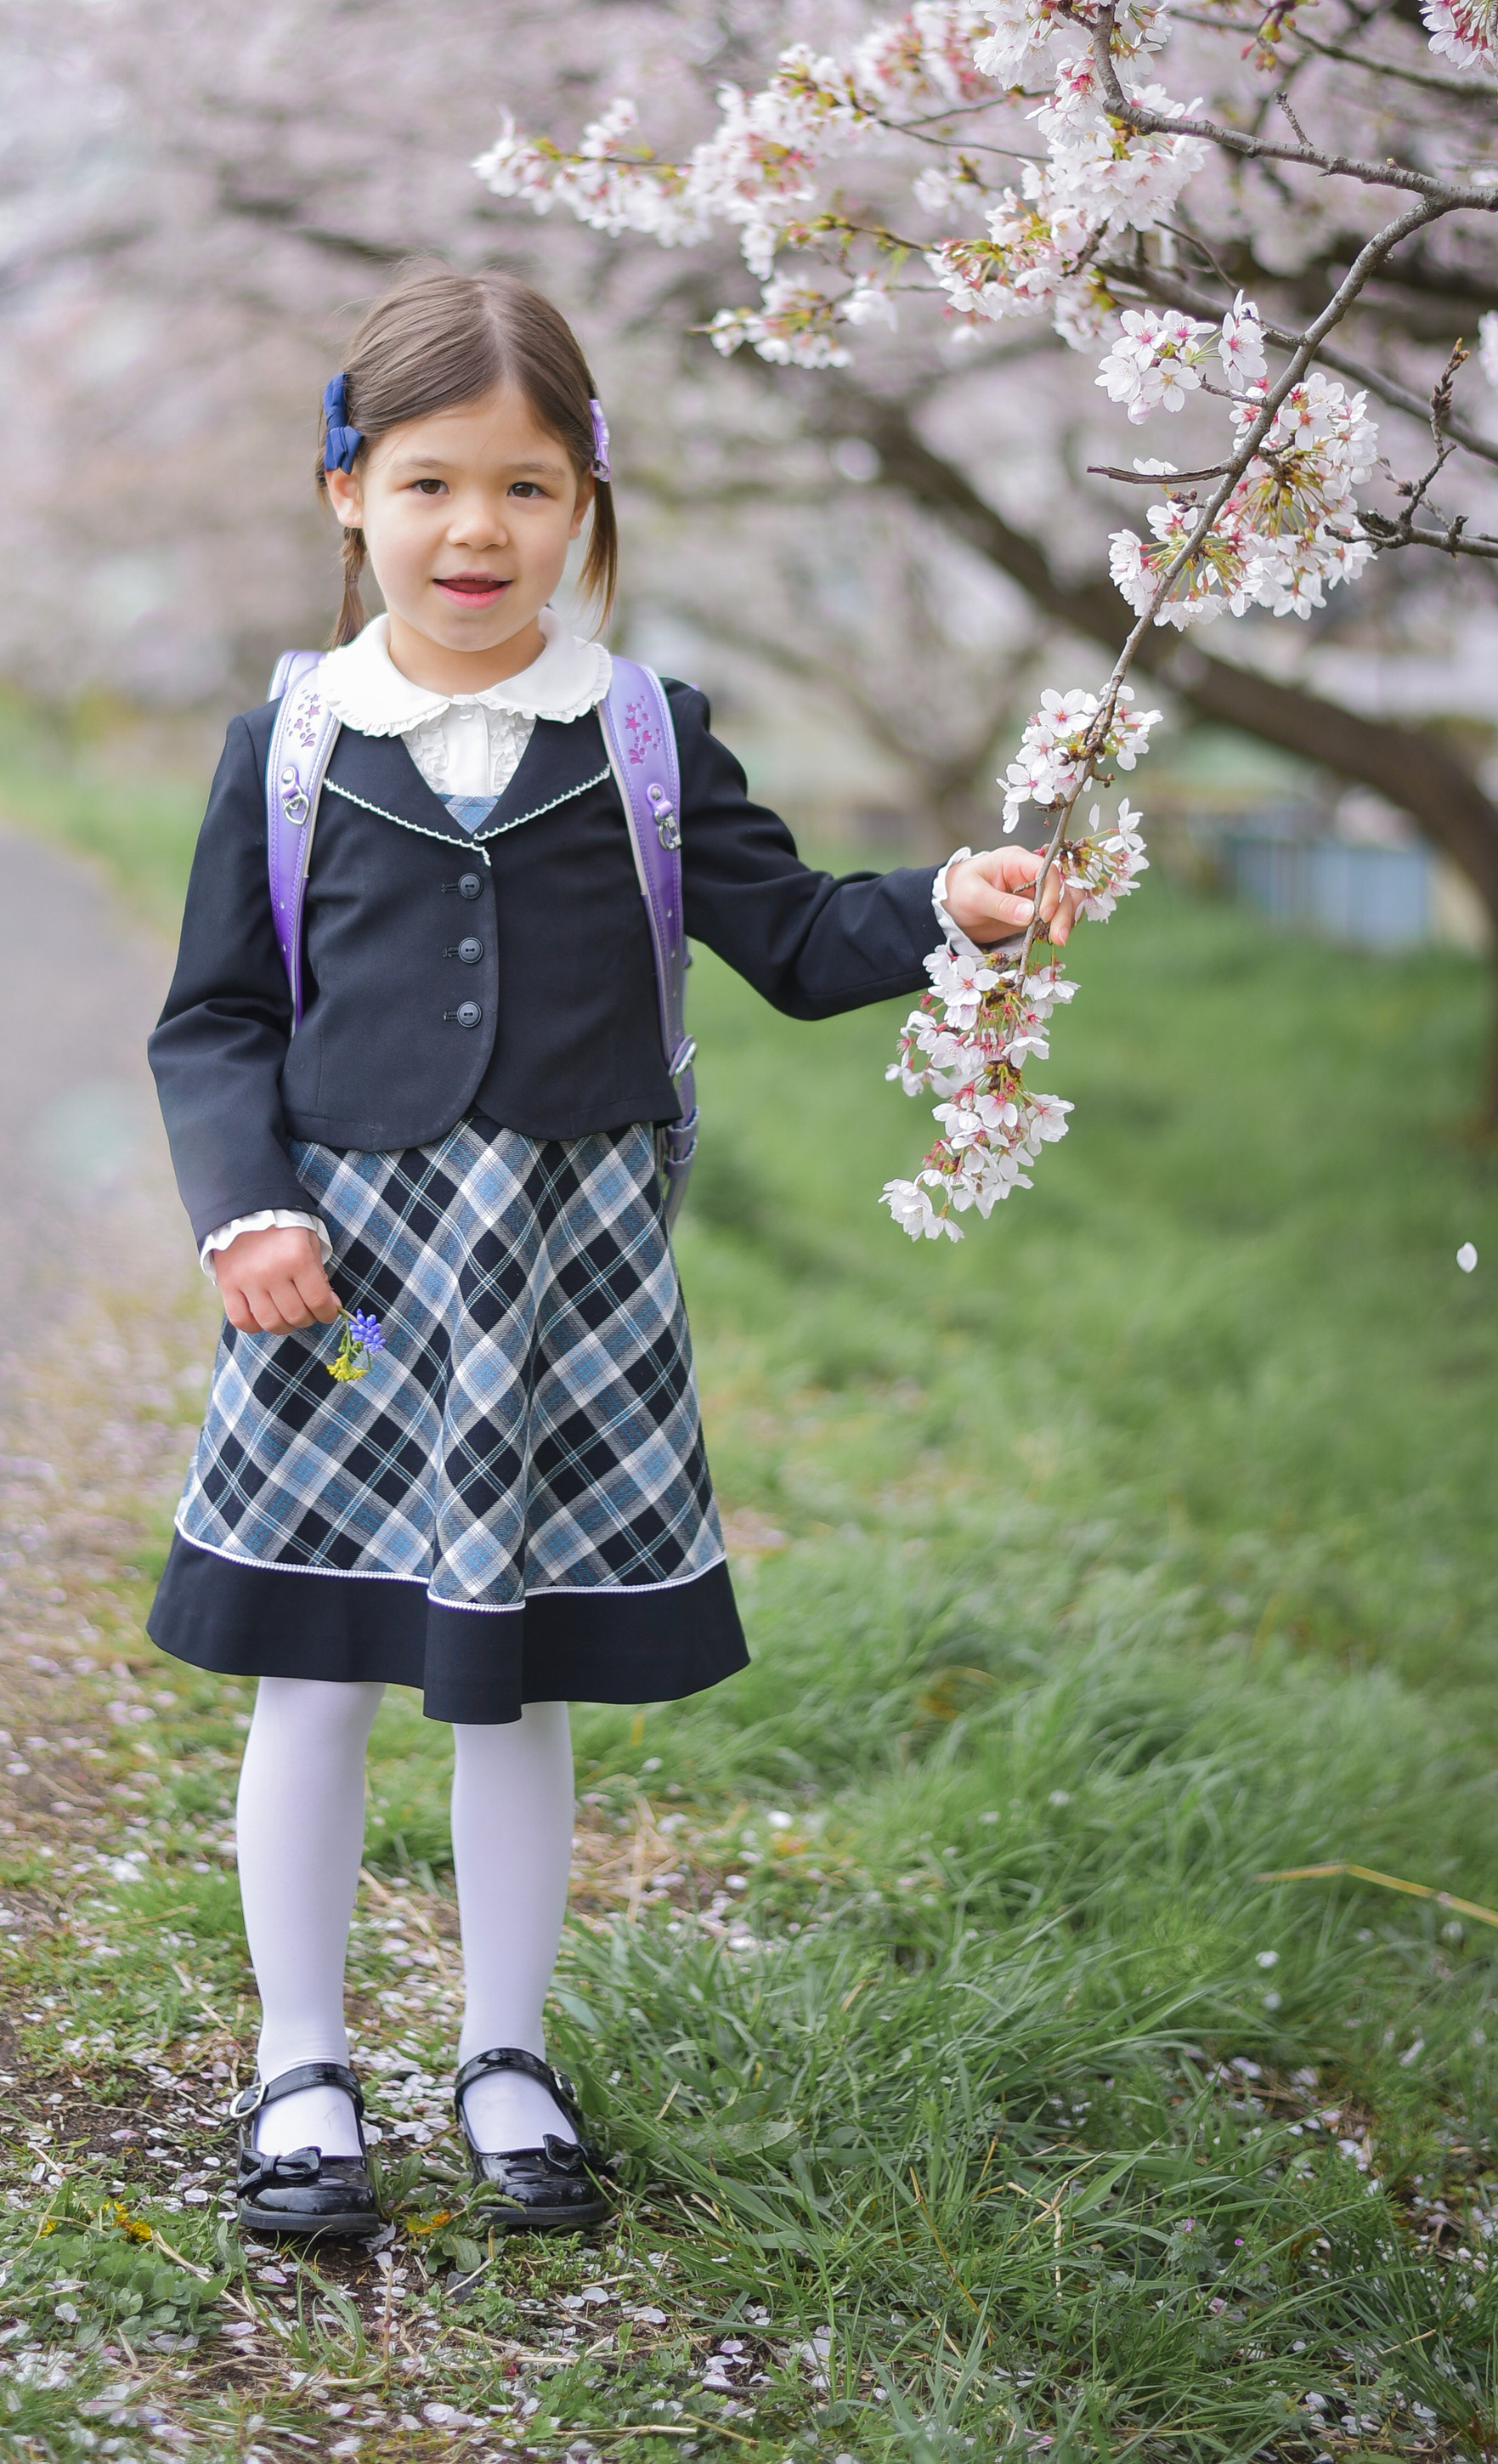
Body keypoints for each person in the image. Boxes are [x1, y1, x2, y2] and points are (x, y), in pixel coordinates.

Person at [145, 262, 1071, 2244]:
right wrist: (245, 1206)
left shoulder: (642, 735)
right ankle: (300, 2064)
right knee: (309, 1677)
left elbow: (797, 936)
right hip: (345, 1295)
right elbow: (215, 1015)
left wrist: (951, 909)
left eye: (526, 489)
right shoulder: (297, 739)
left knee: (513, 1688)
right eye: (425, 485)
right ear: (344, 494)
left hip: (564, 1292)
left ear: (586, 503)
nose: (474, 531)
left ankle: (502, 2054)